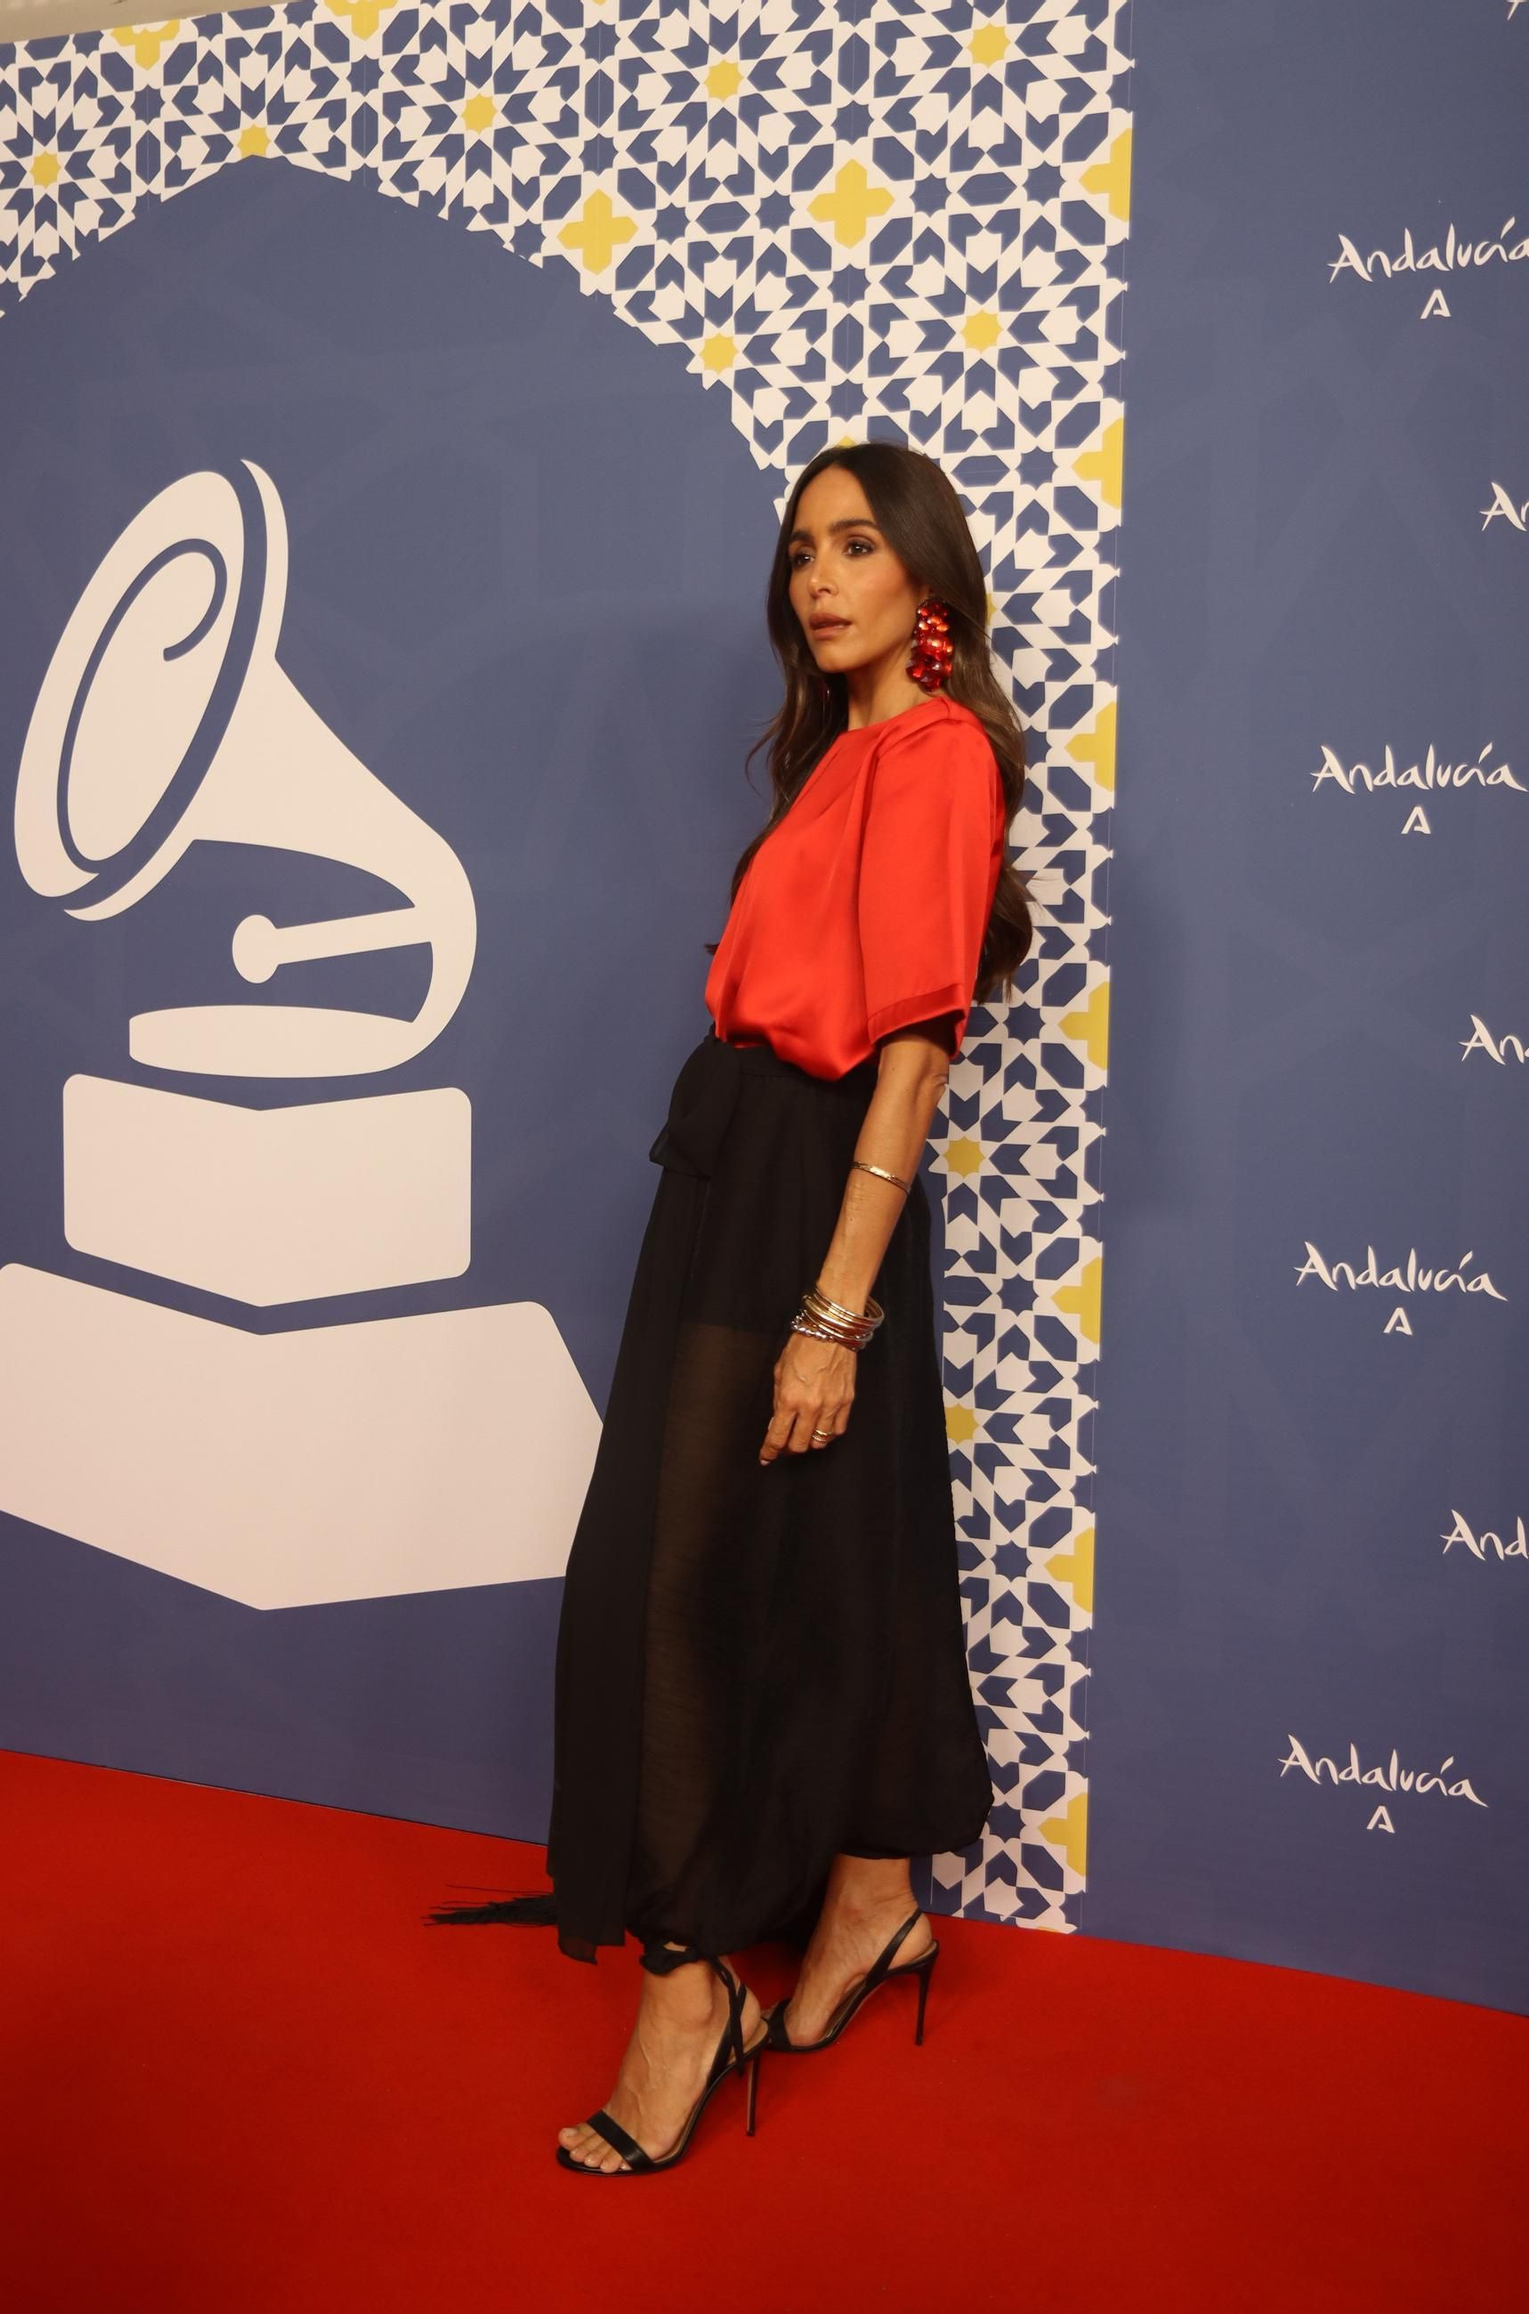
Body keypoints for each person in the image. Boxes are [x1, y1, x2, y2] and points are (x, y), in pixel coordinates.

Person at [548, 440, 1031, 2174]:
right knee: (831, 1552)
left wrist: (834, 1313)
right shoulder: (842, 755)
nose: (820, 578)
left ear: (927, 583)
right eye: (801, 550)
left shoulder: (942, 753)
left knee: (686, 1576)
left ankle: (689, 1987)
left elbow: (915, 1041)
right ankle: (878, 1888)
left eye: (855, 545)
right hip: (744, 1163)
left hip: (818, 1190)